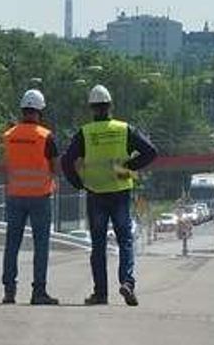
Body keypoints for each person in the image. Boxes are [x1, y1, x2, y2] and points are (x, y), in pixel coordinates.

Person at [63, 85, 158, 306]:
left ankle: (100, 293)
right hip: (120, 191)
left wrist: (78, 183)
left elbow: (67, 161)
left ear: (91, 108)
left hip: (95, 193)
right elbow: (151, 152)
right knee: (125, 240)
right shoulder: (124, 129)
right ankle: (127, 282)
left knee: (98, 245)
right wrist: (129, 166)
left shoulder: (85, 133)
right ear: (110, 106)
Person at [0, 89, 60, 306]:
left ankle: (9, 290)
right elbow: (55, 167)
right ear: (39, 111)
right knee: (41, 245)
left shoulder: (9, 135)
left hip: (15, 196)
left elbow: (5, 165)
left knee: (12, 244)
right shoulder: (45, 136)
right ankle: (39, 292)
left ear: (22, 110)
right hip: (40, 197)